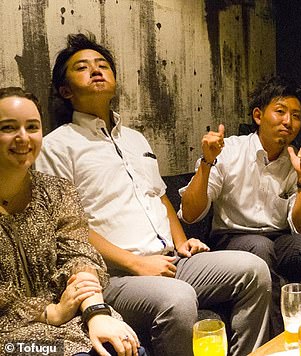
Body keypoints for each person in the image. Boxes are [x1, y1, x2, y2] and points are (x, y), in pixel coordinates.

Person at [36, 33, 271, 356]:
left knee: (253, 269)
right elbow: (68, 229)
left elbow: (159, 197)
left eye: (103, 65)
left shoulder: (136, 139)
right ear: (65, 91)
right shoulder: (56, 146)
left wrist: (180, 241)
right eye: (83, 67)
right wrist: (135, 263)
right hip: (113, 275)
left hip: (170, 259)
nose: (96, 70)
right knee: (177, 298)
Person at [179, 75, 301, 334]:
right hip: (232, 239)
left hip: (279, 240)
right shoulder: (229, 150)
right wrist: (207, 163)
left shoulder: (296, 160)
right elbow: (189, 214)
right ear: (258, 115)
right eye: (280, 112)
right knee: (260, 247)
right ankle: (283, 339)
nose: (289, 122)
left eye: (296, 116)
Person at [0, 87, 143, 356]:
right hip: (7, 337)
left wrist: (96, 312)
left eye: (32, 127)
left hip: (71, 315)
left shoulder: (58, 191)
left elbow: (79, 255)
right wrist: (47, 312)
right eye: (8, 128)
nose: (23, 138)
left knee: (121, 347)